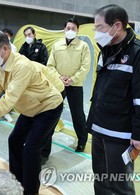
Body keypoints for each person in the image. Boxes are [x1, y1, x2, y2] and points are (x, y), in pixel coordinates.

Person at [0, 30, 63, 194]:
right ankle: (17, 183)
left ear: (4, 49)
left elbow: (7, 102)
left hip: (48, 107)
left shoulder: (21, 66)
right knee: (15, 140)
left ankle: (30, 191)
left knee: (31, 149)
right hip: (30, 108)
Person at [86, 4, 140, 194]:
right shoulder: (106, 49)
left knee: (119, 184)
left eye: (100, 27)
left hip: (120, 136)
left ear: (117, 25)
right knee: (101, 179)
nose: (97, 33)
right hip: (99, 130)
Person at [47, 18, 90, 152]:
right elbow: (50, 65)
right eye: (68, 28)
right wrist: (59, 77)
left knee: (78, 115)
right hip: (58, 85)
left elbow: (85, 66)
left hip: (75, 85)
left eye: (73, 28)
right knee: (52, 112)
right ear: (64, 29)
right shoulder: (57, 45)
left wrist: (72, 79)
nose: (70, 31)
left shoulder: (83, 46)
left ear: (78, 30)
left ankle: (82, 141)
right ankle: (46, 139)